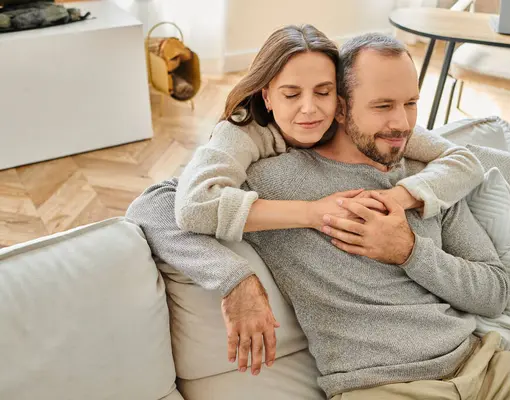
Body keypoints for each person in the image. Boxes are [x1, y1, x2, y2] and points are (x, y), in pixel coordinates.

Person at [128, 31, 510, 399]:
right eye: (382, 107)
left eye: (411, 104)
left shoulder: (428, 179)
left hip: (491, 368)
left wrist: (410, 252)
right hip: (383, 388)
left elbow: (493, 293)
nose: (402, 123)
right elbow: (153, 205)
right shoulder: (271, 178)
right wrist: (234, 280)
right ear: (341, 107)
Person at [127, 24, 485, 376]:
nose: (310, 110)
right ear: (267, 96)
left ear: (341, 101)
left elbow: (464, 160)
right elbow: (173, 203)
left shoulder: (368, 125)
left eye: (323, 92)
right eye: (291, 93)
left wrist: (398, 198)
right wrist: (237, 275)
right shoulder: (246, 134)